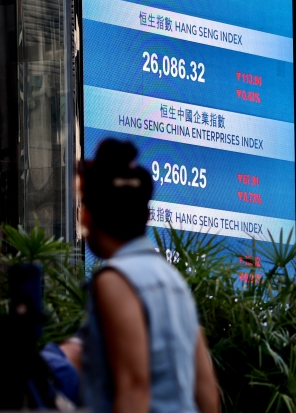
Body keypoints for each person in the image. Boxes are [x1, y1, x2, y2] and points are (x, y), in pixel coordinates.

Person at [79, 139, 219, 413]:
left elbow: (134, 390)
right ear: (146, 214)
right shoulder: (174, 281)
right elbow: (207, 394)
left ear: (88, 217)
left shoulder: (115, 281)